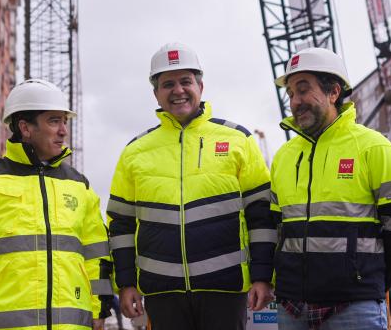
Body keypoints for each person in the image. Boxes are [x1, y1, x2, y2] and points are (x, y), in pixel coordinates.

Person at [107, 42, 276, 330]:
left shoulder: (238, 140)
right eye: (168, 84)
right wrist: (126, 283)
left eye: (186, 81)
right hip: (163, 294)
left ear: (200, 86)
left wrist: (262, 276)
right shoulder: (134, 152)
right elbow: (121, 225)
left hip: (225, 290)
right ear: (156, 93)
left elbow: (261, 215)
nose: (178, 90)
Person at [269, 47, 391, 330]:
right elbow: (276, 229)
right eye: (290, 93)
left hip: (354, 307)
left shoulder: (375, 148)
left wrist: (367, 282)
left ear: (333, 92)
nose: (295, 101)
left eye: (303, 89)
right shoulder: (283, 157)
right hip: (292, 306)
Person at [0, 79, 112, 330]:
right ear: (25, 127)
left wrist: (99, 308)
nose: (63, 131)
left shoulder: (79, 186)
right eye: (54, 121)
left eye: (64, 121)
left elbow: (97, 254)